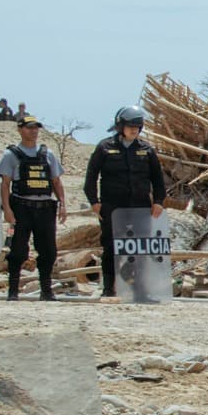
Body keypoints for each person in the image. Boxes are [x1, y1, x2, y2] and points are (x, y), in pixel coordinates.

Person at [84, 105, 167, 299]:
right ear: (120, 126)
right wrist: (94, 202)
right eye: (130, 125)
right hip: (112, 207)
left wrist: (159, 201)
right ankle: (108, 288)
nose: (133, 129)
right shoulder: (105, 148)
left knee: (139, 248)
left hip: (140, 207)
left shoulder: (147, 150)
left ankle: (139, 290)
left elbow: (158, 179)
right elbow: (90, 177)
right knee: (111, 248)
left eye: (137, 126)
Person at [0, 115, 65, 300]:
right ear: (20, 129)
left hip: (44, 208)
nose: (33, 131)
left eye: (36, 128)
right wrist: (7, 210)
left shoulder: (47, 154)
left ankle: (46, 290)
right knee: (18, 250)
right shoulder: (11, 154)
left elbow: (56, 181)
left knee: (48, 251)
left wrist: (63, 204)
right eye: (29, 127)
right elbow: (5, 184)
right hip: (21, 207)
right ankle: (13, 291)